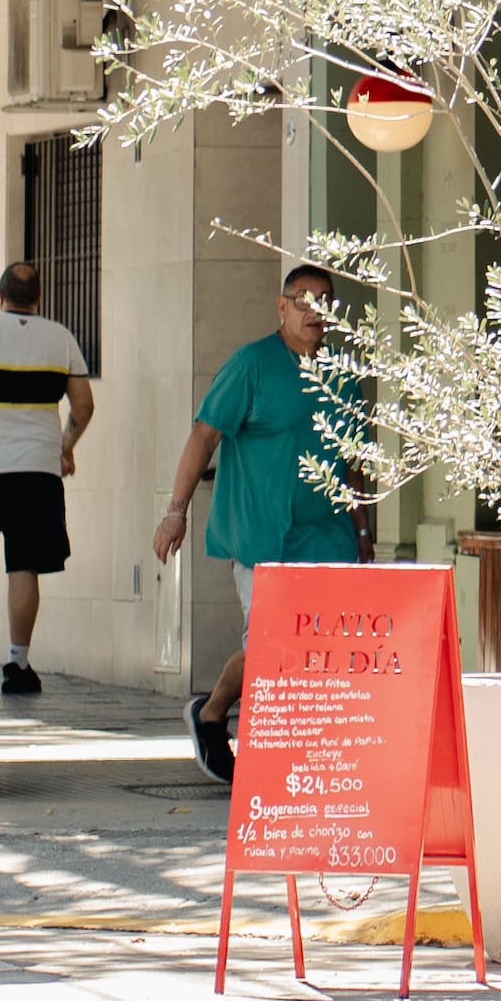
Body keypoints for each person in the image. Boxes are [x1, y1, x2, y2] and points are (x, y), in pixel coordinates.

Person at [153, 262, 363, 782]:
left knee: (320, 647)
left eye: (324, 300)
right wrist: (176, 512)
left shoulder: (343, 375)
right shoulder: (251, 364)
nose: (314, 310)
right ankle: (221, 719)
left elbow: (354, 462)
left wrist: (363, 529)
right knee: (272, 644)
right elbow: (204, 436)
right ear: (281, 306)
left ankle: (283, 742)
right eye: (303, 299)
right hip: (260, 535)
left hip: (329, 536)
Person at [0, 261, 95, 699]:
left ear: (0, 295)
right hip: (37, 470)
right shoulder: (60, 338)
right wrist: (66, 445)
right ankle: (19, 663)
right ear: (39, 297)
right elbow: (84, 406)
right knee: (24, 567)